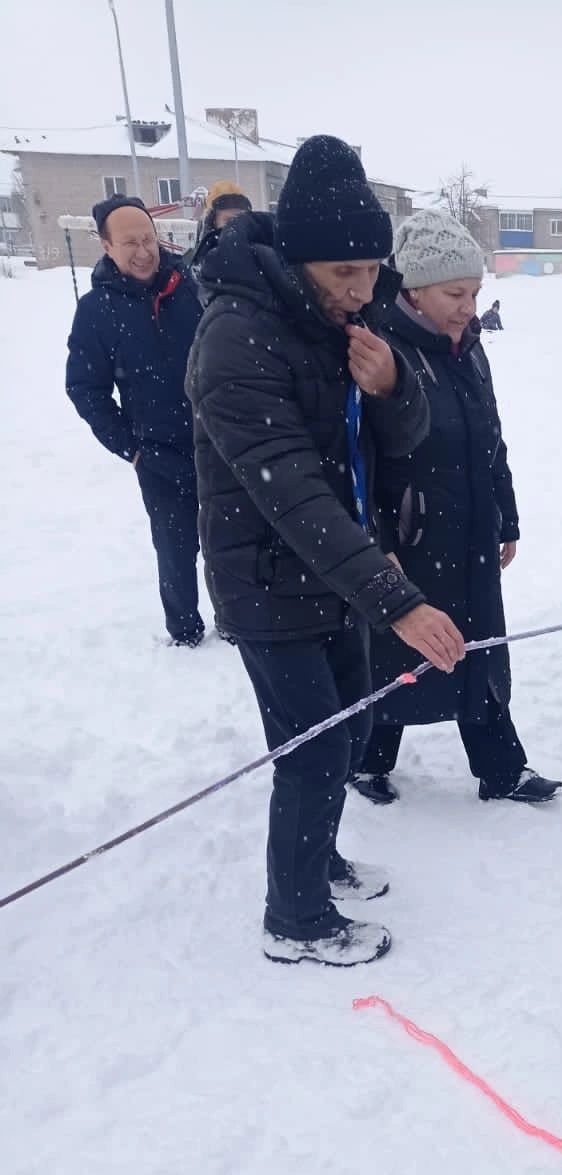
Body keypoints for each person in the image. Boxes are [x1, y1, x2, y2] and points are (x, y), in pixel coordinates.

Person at [187, 136, 465, 968]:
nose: (360, 289)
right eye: (342, 272)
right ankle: (296, 918)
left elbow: (407, 437)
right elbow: (292, 493)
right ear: (298, 258)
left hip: (339, 572)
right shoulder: (235, 337)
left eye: (371, 269)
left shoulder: (343, 315)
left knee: (347, 731)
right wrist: (399, 599)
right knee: (312, 749)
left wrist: (391, 387)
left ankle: (324, 862)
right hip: (268, 579)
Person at [355, 208, 562, 808]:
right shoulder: (384, 352)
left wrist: (508, 515)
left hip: (472, 530)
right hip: (411, 538)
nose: (469, 306)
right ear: (415, 290)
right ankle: (369, 759)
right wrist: (378, 544)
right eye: (455, 293)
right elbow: (362, 460)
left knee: (479, 651)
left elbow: (490, 441)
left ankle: (501, 768)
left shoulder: (469, 351)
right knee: (400, 650)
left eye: (474, 292)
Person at [66, 194, 205, 646]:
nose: (144, 251)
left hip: (220, 445)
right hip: (159, 456)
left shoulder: (192, 287)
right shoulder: (96, 311)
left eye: (149, 239)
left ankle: (240, 620)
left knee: (232, 544)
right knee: (175, 548)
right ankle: (184, 631)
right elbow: (85, 389)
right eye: (130, 243)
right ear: (106, 246)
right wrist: (133, 447)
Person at [188, 181, 253, 278]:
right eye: (228, 220)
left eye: (241, 220)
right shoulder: (195, 263)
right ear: (212, 222)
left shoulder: (260, 256)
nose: (235, 226)